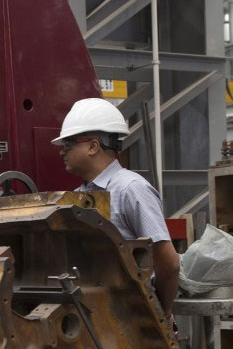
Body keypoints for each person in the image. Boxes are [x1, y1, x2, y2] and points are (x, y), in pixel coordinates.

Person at [52, 98, 180, 322]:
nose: (62, 152)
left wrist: (162, 314)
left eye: (68, 144)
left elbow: (168, 263)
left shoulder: (131, 189)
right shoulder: (75, 197)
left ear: (93, 146)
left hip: (131, 317)